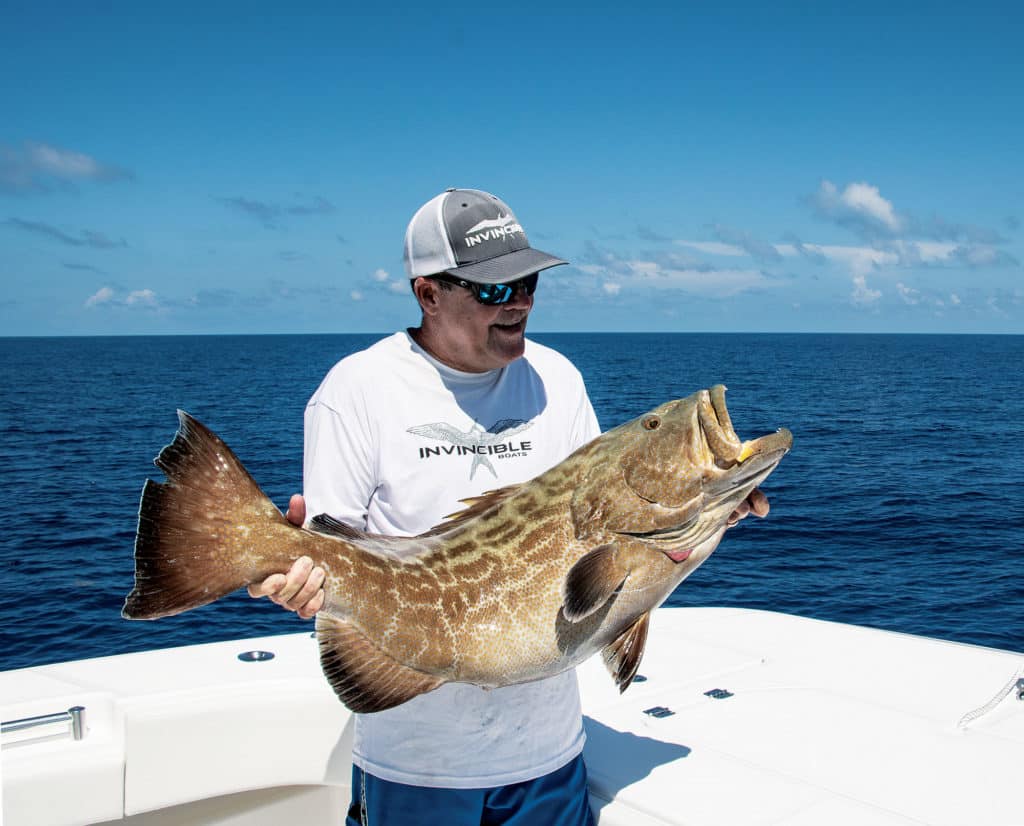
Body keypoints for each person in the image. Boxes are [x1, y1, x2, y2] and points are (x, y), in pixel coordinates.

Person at [249, 188, 769, 825]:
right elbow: (339, 559)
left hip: (548, 757)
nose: (519, 300)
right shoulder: (356, 391)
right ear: (427, 293)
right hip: (417, 766)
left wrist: (709, 504)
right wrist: (303, 578)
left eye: (527, 281)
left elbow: (604, 539)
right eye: (494, 288)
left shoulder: (558, 378)